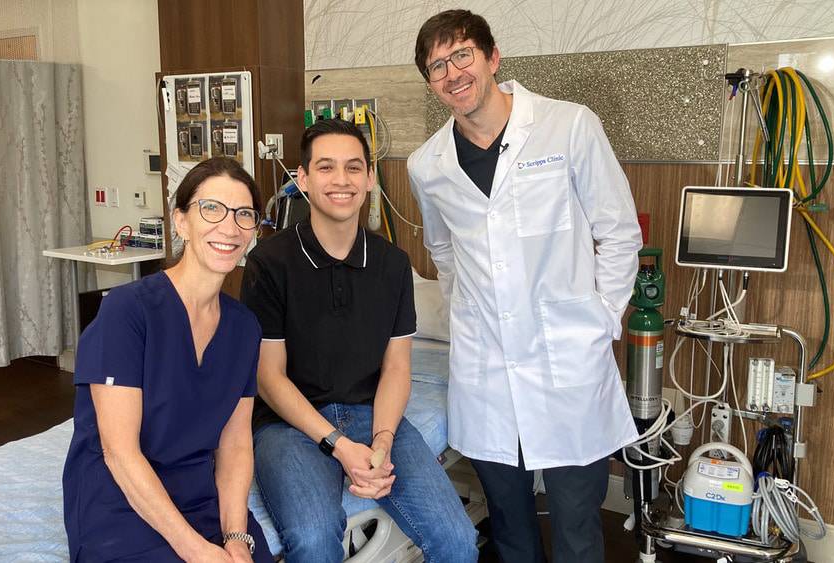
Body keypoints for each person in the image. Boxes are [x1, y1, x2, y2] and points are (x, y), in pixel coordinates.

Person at [408, 10, 643, 563]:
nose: (452, 73)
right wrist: (468, 309)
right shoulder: (427, 164)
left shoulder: (569, 126)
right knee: (510, 526)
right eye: (436, 66)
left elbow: (619, 232)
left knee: (577, 526)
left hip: (569, 362)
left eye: (461, 55)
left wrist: (603, 318)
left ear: (492, 58)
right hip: (486, 369)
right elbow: (443, 251)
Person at [240, 118, 478, 563]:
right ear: (303, 179)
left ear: (369, 179)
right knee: (313, 541)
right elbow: (269, 378)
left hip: (374, 416)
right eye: (326, 167)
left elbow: (397, 367)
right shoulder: (270, 263)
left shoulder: (392, 265)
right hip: (289, 426)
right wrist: (340, 446)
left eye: (353, 168)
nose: (341, 180)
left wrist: (382, 443)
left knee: (457, 541)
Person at [62, 157, 272, 562]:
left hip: (199, 497)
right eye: (211, 208)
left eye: (244, 214)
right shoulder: (128, 312)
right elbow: (119, 453)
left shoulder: (244, 328)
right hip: (121, 502)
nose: (229, 227)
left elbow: (235, 444)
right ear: (181, 222)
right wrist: (197, 552)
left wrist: (234, 537)